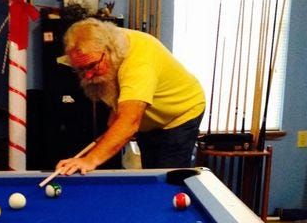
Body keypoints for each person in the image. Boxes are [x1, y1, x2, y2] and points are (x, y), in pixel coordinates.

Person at [55, 18, 206, 175]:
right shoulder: (108, 45)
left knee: (167, 175)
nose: (87, 75)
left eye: (92, 66)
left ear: (109, 51)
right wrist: (109, 133)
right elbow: (120, 102)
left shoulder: (139, 63)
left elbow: (130, 121)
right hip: (148, 121)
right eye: (80, 69)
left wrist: (89, 160)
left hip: (180, 113)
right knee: (151, 172)